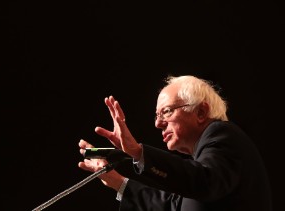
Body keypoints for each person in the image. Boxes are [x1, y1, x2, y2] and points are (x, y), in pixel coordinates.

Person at [78, 75, 273, 211]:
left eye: (167, 112)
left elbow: (204, 181)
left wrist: (138, 152)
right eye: (156, 115)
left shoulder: (223, 135)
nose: (157, 123)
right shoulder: (202, 164)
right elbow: (175, 207)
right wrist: (117, 181)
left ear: (201, 112)